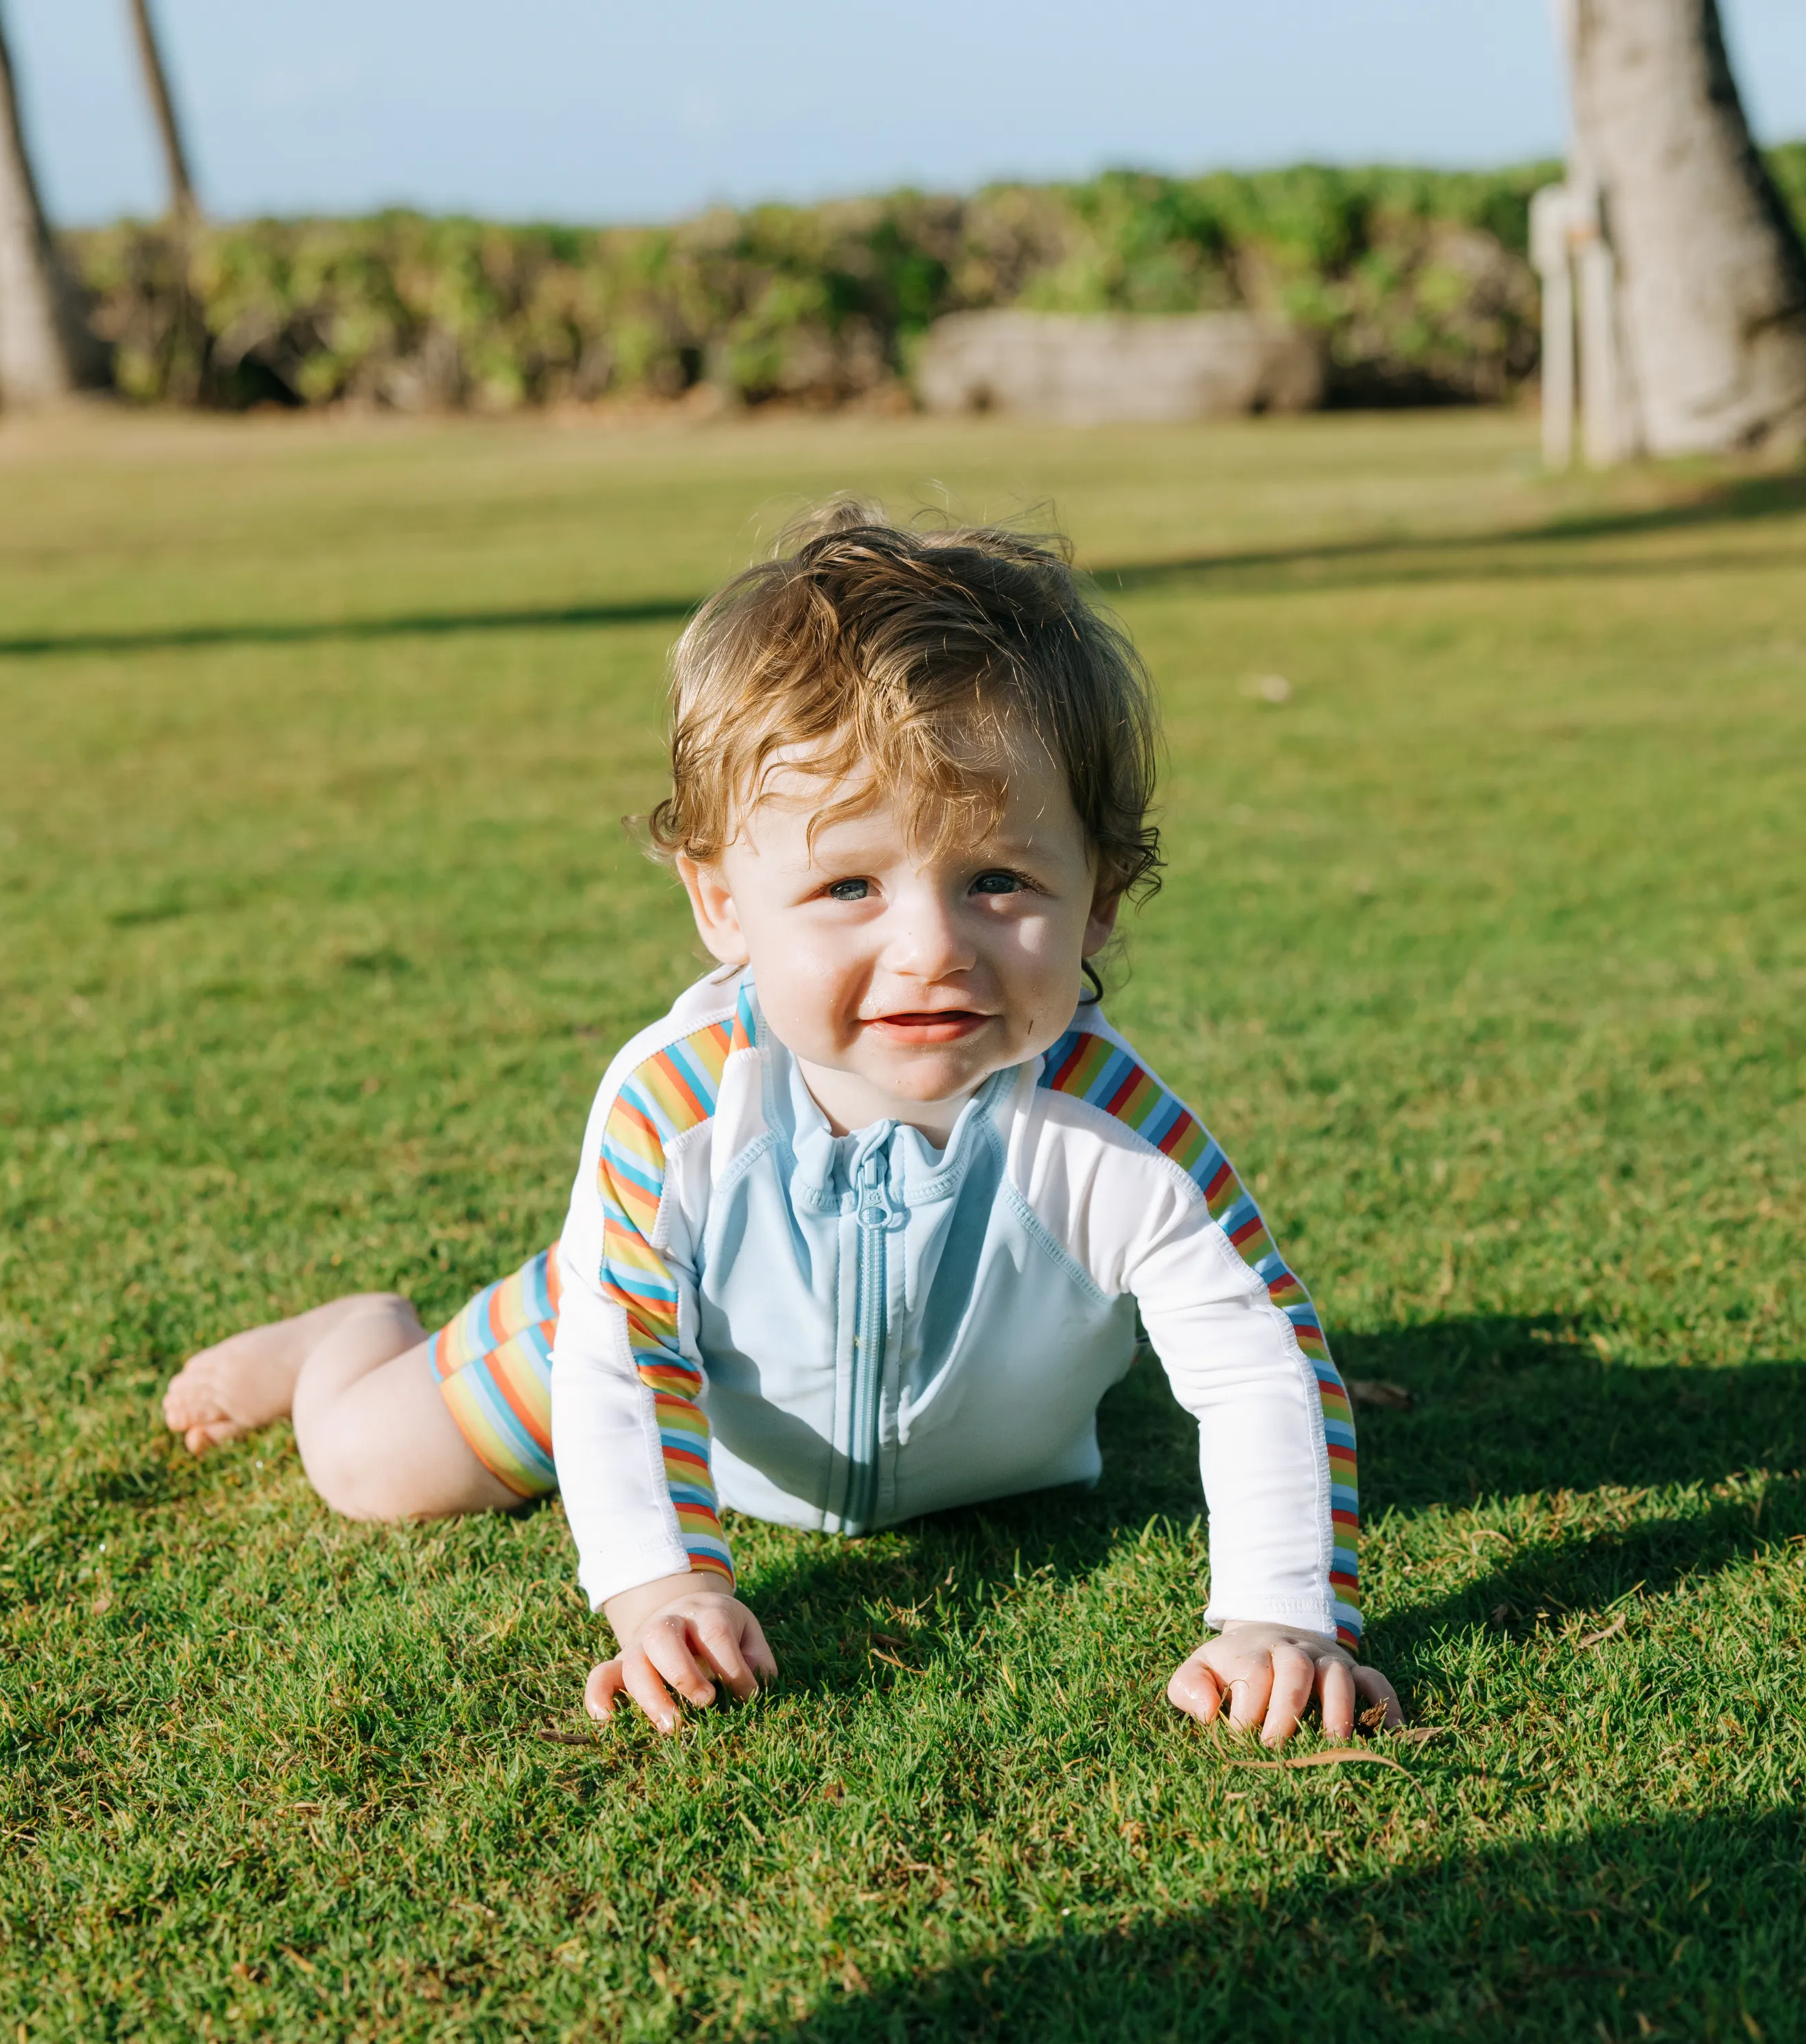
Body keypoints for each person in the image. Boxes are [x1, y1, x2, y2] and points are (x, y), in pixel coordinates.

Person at [164, 505, 1402, 1746]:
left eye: (999, 882)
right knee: (372, 1471)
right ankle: (347, 1339)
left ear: (1098, 903)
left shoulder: (1115, 1132)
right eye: (848, 885)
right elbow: (624, 1357)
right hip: (618, 1330)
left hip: (986, 1455)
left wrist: (1282, 1619)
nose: (930, 949)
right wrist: (666, 1587)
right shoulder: (682, 1108)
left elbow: (1260, 1360)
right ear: (723, 904)